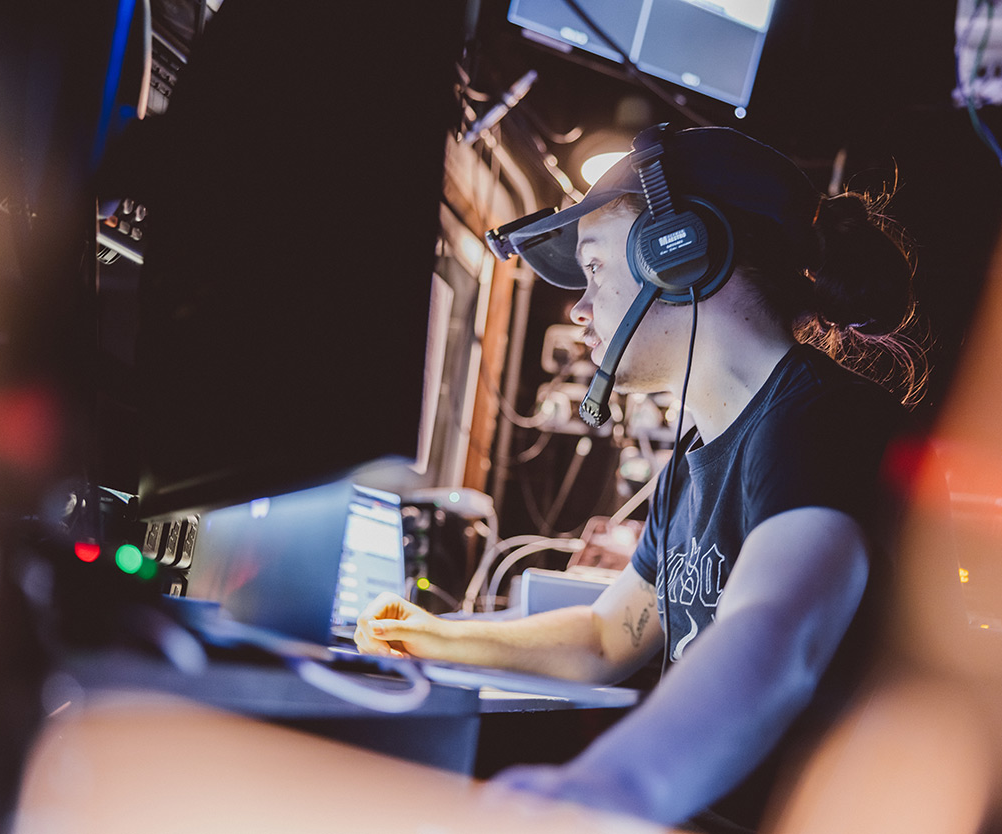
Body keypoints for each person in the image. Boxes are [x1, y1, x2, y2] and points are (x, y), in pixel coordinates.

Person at [355, 124, 923, 832]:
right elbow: (602, 638)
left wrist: (601, 791)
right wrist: (435, 635)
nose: (580, 308)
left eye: (595, 270)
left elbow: (777, 632)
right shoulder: (691, 464)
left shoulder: (817, 420)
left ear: (680, 253)